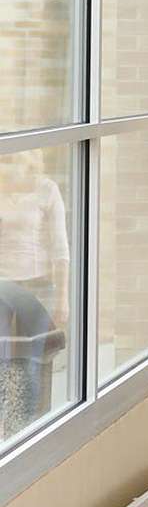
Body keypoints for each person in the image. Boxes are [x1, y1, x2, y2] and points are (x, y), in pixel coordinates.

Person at [0, 148, 69, 440]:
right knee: (3, 359)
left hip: (37, 286)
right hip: (1, 285)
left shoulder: (46, 190)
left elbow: (60, 247)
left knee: (30, 363)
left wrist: (63, 296)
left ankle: (24, 433)